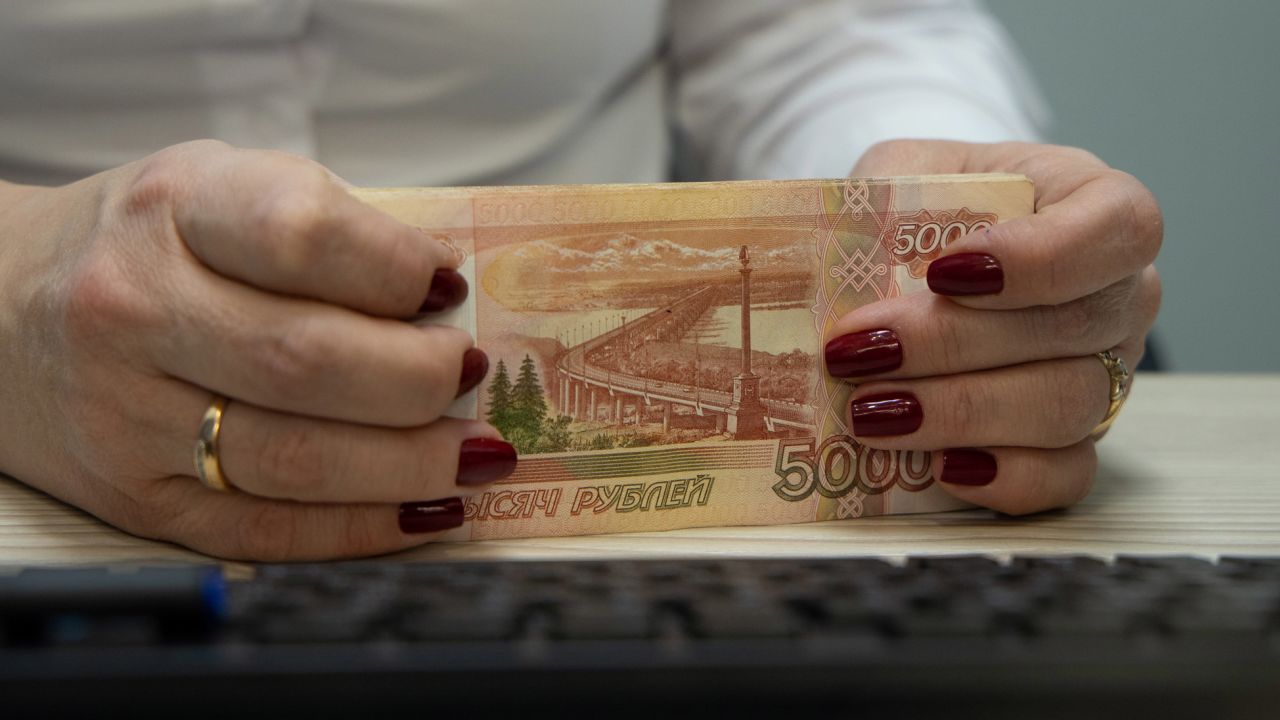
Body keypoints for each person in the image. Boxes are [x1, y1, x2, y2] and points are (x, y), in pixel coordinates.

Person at [0, 1, 1161, 560]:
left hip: (654, 552)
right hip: (40, 469)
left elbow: (806, 29)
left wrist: (942, 230)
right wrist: (18, 301)